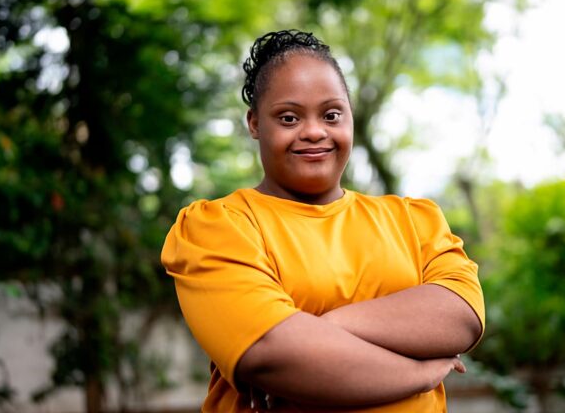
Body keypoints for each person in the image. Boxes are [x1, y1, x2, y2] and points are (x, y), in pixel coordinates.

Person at [161, 29, 485, 412]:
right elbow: (270, 353)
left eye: (331, 114)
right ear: (254, 123)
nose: (314, 131)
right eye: (288, 117)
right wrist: (423, 374)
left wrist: (312, 333)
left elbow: (462, 316)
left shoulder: (414, 220)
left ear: (350, 117)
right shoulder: (217, 227)